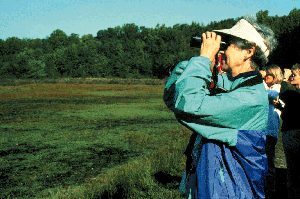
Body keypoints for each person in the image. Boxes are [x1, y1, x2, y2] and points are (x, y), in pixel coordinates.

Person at [164, 16, 277, 199]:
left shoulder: (250, 98)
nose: (222, 50)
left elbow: (188, 105)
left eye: (228, 44)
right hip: (210, 186)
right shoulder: (233, 85)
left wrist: (203, 60)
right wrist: (202, 64)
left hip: (230, 191)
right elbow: (173, 97)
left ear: (248, 52)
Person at [260, 65, 284, 199]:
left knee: (268, 162)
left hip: (269, 131)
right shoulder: (267, 88)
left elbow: (270, 95)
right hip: (260, 129)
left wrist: (260, 82)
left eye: (268, 74)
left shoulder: (277, 89)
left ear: (275, 76)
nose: (265, 77)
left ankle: (269, 191)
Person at [280, 64, 300, 199]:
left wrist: (284, 79)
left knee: (294, 171)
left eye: (295, 75)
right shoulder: (295, 94)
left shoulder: (293, 93)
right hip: (291, 131)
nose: (292, 77)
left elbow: (285, 94)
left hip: (295, 133)